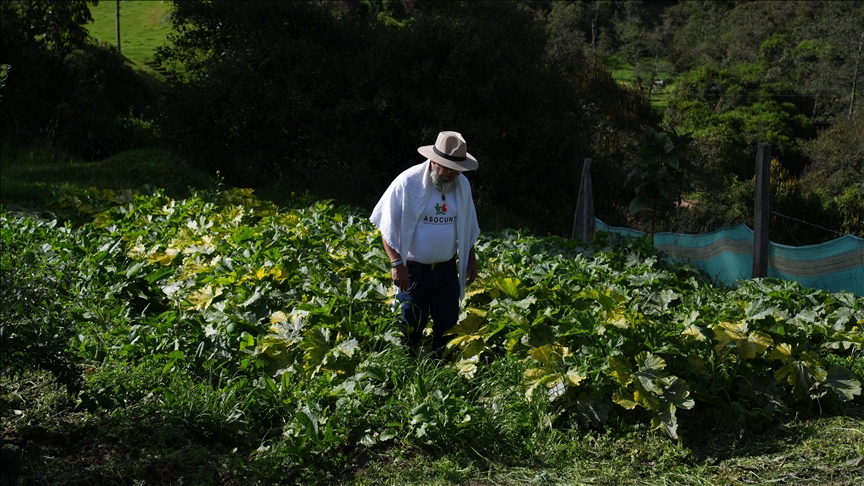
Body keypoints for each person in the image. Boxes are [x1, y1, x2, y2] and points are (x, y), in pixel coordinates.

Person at [370, 131, 480, 357]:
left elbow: (467, 224)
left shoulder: (462, 185)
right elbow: (387, 226)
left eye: (456, 169)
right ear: (434, 160)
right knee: (410, 327)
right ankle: (406, 370)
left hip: (447, 271)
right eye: (448, 168)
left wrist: (470, 258)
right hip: (413, 272)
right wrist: (396, 263)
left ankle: (441, 368)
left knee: (448, 327)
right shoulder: (407, 183)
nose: (452, 174)